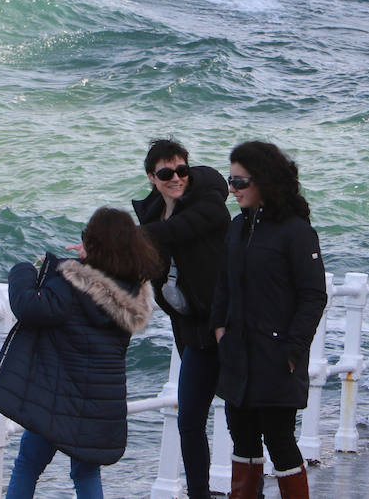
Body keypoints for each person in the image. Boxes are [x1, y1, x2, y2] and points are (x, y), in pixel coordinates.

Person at [0, 207, 158, 499]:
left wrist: (24, 269)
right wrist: (83, 259)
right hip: (102, 400)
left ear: (94, 245)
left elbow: (29, 306)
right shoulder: (132, 291)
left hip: (59, 398)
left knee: (28, 465)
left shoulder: (70, 285)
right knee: (85, 472)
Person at [211, 141, 327, 499]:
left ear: (264, 181)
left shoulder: (296, 231)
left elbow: (314, 296)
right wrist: (220, 330)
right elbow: (223, 285)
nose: (233, 190)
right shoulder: (236, 228)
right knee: (242, 440)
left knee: (280, 442)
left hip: (277, 359)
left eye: (240, 182)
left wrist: (292, 351)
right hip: (238, 356)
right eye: (230, 181)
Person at [131, 139, 230, 499]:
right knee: (189, 420)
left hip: (227, 327)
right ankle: (198, 494)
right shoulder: (153, 218)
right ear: (151, 178)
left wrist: (126, 236)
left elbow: (180, 231)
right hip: (192, 333)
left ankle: (251, 493)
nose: (176, 178)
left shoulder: (209, 202)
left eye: (181, 170)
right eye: (165, 173)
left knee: (240, 421)